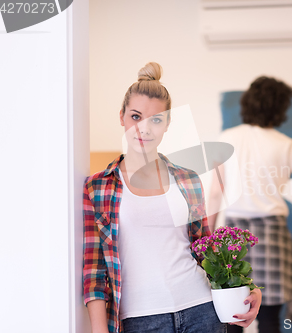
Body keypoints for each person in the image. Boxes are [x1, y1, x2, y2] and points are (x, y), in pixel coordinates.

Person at [82, 62, 262, 333]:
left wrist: (248, 289)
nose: (144, 129)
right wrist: (98, 329)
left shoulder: (187, 179)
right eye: (135, 116)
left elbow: (206, 250)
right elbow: (94, 269)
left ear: (167, 123)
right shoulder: (98, 187)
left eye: (156, 119)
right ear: (121, 116)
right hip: (140, 320)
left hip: (202, 310)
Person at [208, 76, 292, 333]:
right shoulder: (287, 146)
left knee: (232, 314)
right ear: (280, 109)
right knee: (270, 317)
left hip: (233, 236)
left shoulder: (227, 138)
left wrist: (206, 239)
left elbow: (216, 192)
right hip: (271, 236)